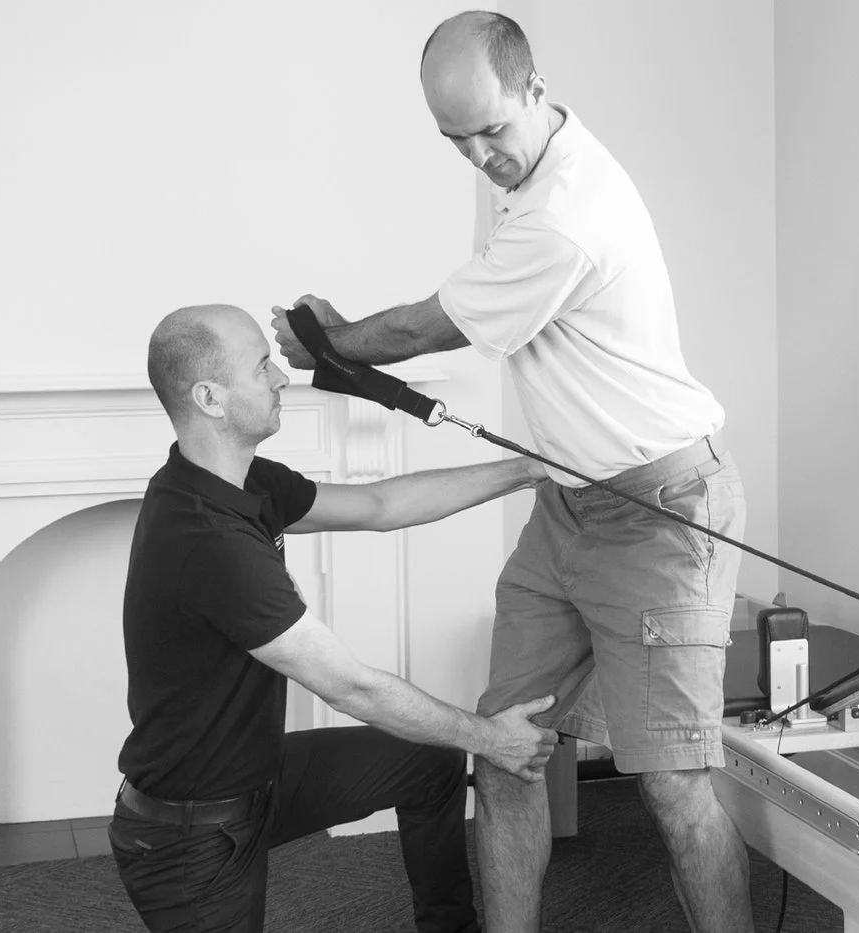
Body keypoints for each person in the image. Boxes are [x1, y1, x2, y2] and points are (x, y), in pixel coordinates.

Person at [270, 11, 752, 932]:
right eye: (455, 140)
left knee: (673, 786)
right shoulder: (524, 169)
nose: (480, 156)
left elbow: (422, 329)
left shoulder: (569, 213)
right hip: (569, 510)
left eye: (491, 129)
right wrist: (338, 346)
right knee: (506, 749)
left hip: (663, 514)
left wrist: (325, 343)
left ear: (536, 88)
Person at [112, 303, 557, 933]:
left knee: (427, 762)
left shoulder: (240, 483)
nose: (281, 379)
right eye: (262, 366)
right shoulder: (205, 541)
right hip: (191, 839)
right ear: (210, 397)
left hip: (260, 780)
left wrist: (531, 469)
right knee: (443, 737)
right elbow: (352, 686)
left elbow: (380, 503)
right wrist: (491, 738)